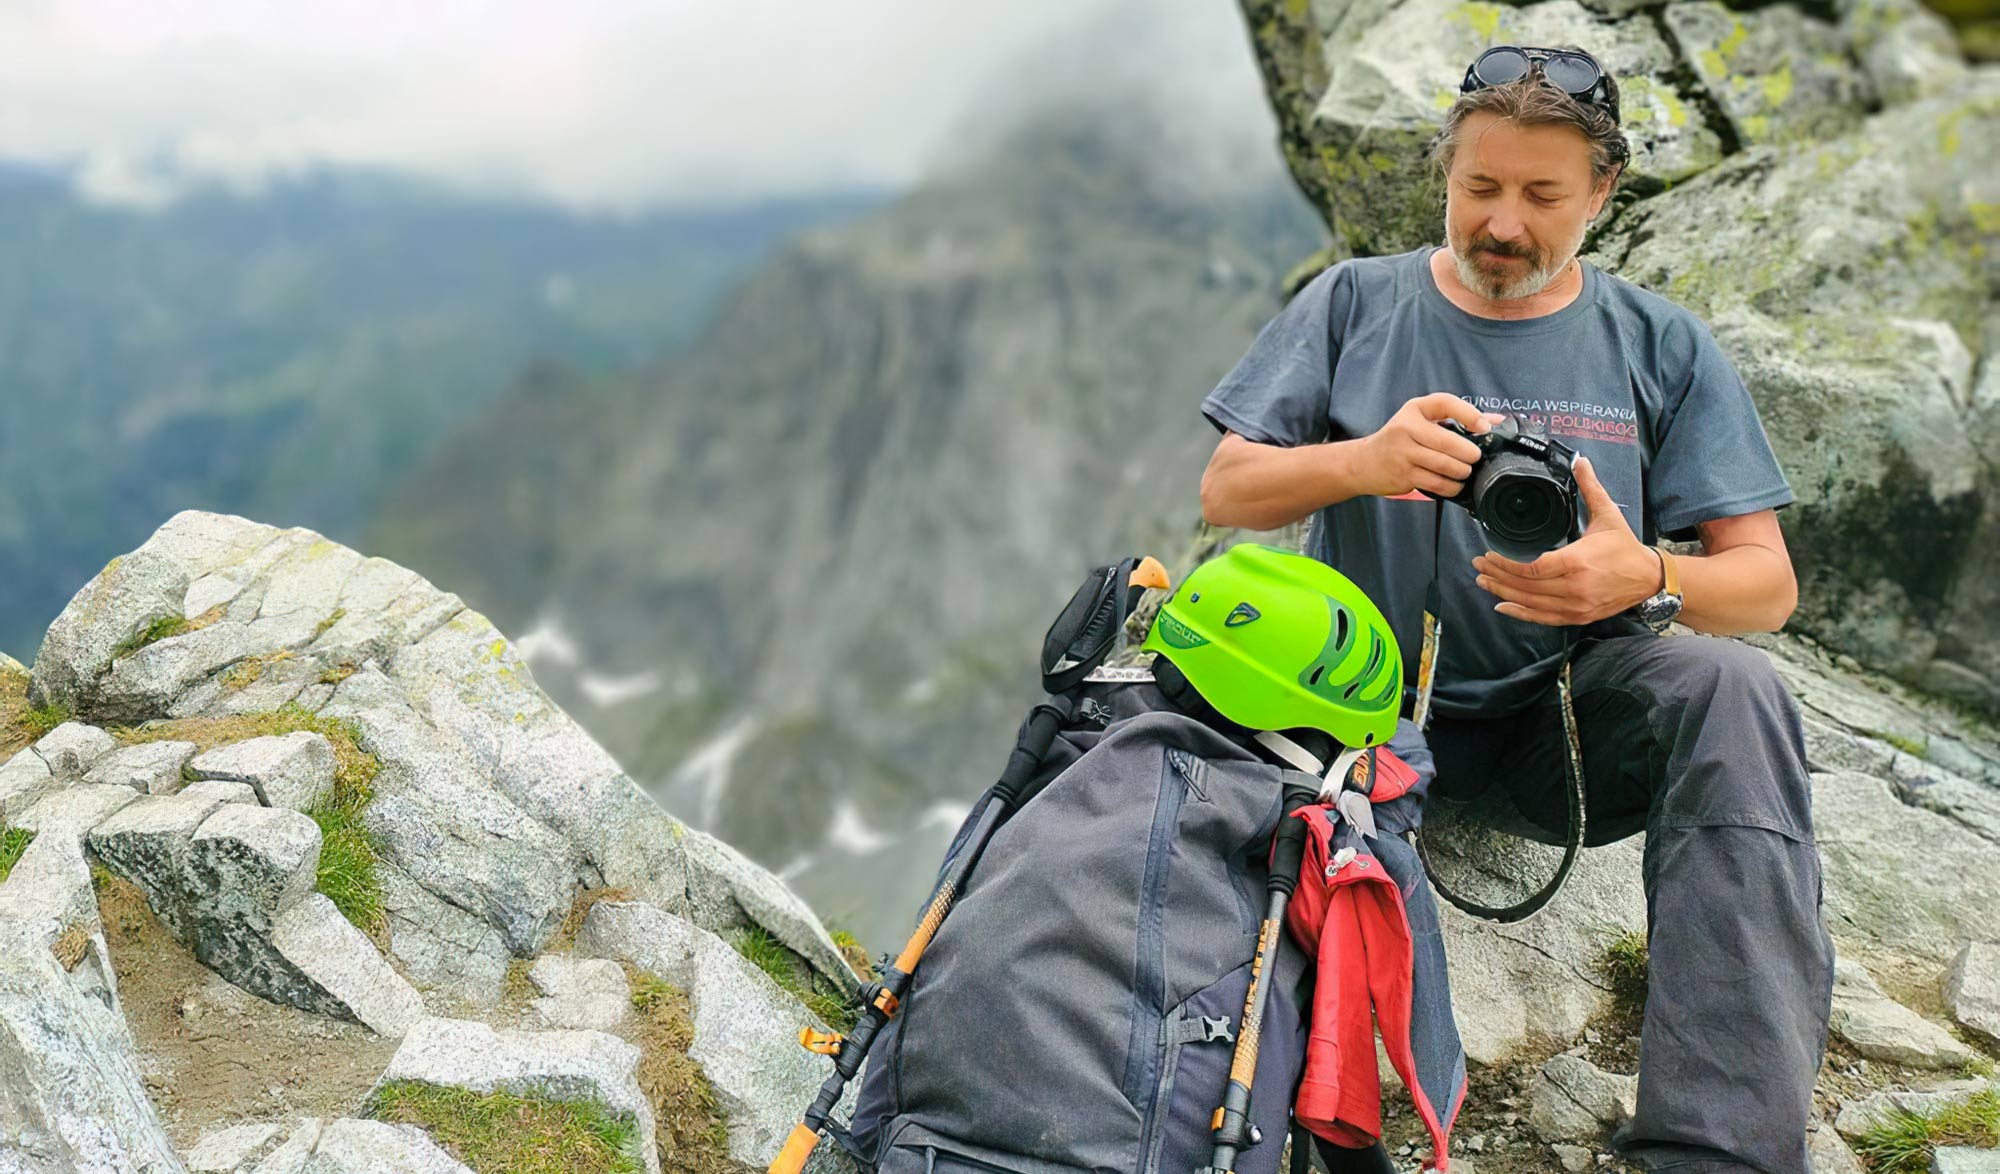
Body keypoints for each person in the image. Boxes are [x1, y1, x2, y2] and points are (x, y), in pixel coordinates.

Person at [1195, 44, 1836, 1174]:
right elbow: (1227, 487)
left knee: (1734, 688)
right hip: (1356, 727)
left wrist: (1645, 577)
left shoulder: (1656, 342)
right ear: (1442, 176)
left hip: (1569, 726)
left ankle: (1718, 1150)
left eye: (1541, 196)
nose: (1500, 222)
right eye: (1476, 187)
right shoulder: (1352, 302)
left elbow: (1765, 586)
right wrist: (1361, 460)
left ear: (1601, 192)